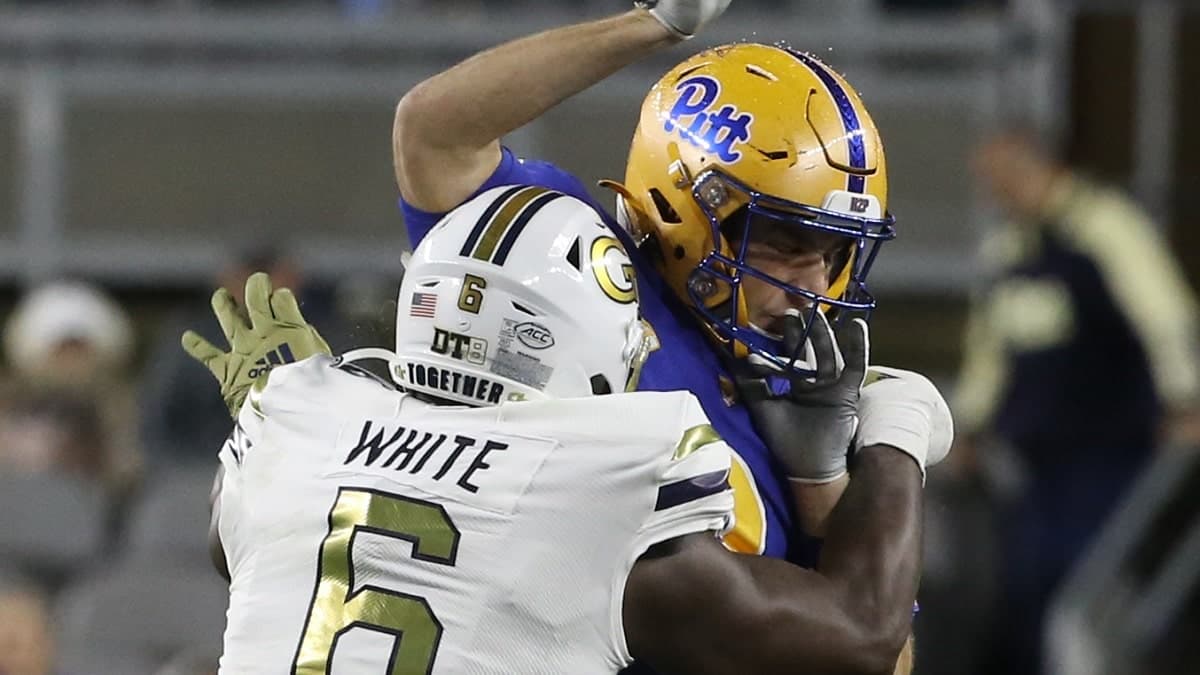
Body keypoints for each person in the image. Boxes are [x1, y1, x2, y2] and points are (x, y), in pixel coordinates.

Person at [187, 190, 950, 674]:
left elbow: (240, 548)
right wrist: (895, 432)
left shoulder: (291, 422)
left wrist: (298, 412)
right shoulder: (601, 484)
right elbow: (860, 635)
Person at [392, 2, 937, 670]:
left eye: (836, 252)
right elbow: (433, 131)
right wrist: (651, 24)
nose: (816, 285)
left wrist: (820, 482)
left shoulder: (808, 400)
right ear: (683, 205)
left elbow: (877, 655)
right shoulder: (568, 272)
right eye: (787, 243)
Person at [954, 130, 1200, 675]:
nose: (993, 193)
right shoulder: (1007, 248)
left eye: (1000, 179)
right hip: (1036, 453)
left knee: (1081, 577)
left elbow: (1162, 315)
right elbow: (989, 348)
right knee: (1026, 583)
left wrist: (1185, 400)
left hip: (1110, 444)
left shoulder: (1107, 226)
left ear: (1034, 167)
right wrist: (968, 426)